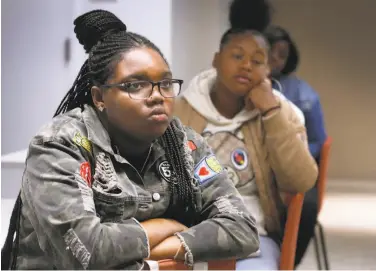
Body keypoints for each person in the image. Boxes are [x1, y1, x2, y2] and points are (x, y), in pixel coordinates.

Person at [1, 10, 260, 270]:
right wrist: (161, 228)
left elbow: (243, 228)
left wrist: (168, 246)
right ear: (99, 98)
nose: (158, 95)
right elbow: (86, 251)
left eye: (166, 83)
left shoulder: (185, 144)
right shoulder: (60, 145)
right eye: (135, 85)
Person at [174, 0, 318, 269]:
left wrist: (271, 113)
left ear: (268, 71)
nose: (246, 66)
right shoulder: (180, 111)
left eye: (257, 61)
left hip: (254, 238)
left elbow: (302, 181)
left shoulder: (283, 112)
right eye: (237, 56)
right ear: (216, 60)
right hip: (186, 235)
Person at [265, 25, 328, 266]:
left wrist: (290, 156)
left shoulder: (304, 95)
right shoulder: (243, 88)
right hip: (254, 166)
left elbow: (318, 142)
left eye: (282, 54)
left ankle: (286, 263)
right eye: (270, 52)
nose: (275, 60)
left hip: (296, 167)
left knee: (306, 206)